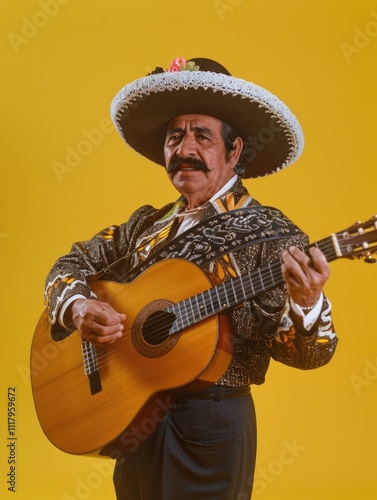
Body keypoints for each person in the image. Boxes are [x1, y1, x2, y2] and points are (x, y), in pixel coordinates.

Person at [44, 57, 338, 500]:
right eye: (175, 136)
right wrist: (78, 306)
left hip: (211, 427)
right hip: (130, 411)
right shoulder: (145, 225)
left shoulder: (274, 235)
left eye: (202, 136)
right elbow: (68, 266)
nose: (186, 149)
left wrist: (307, 301)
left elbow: (312, 355)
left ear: (234, 150)